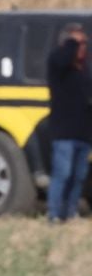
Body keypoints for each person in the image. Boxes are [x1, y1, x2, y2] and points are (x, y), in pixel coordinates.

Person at [46, 23, 91, 224]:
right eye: (77, 43)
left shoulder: (85, 70)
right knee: (62, 174)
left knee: (78, 176)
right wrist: (71, 42)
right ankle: (54, 213)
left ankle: (70, 212)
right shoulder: (58, 64)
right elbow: (62, 59)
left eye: (84, 43)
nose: (82, 47)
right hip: (64, 133)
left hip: (83, 133)